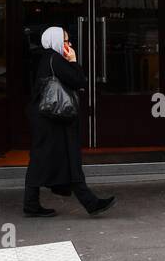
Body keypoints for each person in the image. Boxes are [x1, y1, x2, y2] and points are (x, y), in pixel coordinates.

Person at [23, 26, 116, 218]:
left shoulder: (45, 57)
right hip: (54, 119)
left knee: (48, 159)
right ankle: (89, 203)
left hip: (48, 118)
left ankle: (87, 202)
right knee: (56, 159)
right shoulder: (55, 59)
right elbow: (78, 80)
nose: (69, 44)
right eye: (66, 41)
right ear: (57, 41)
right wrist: (73, 61)